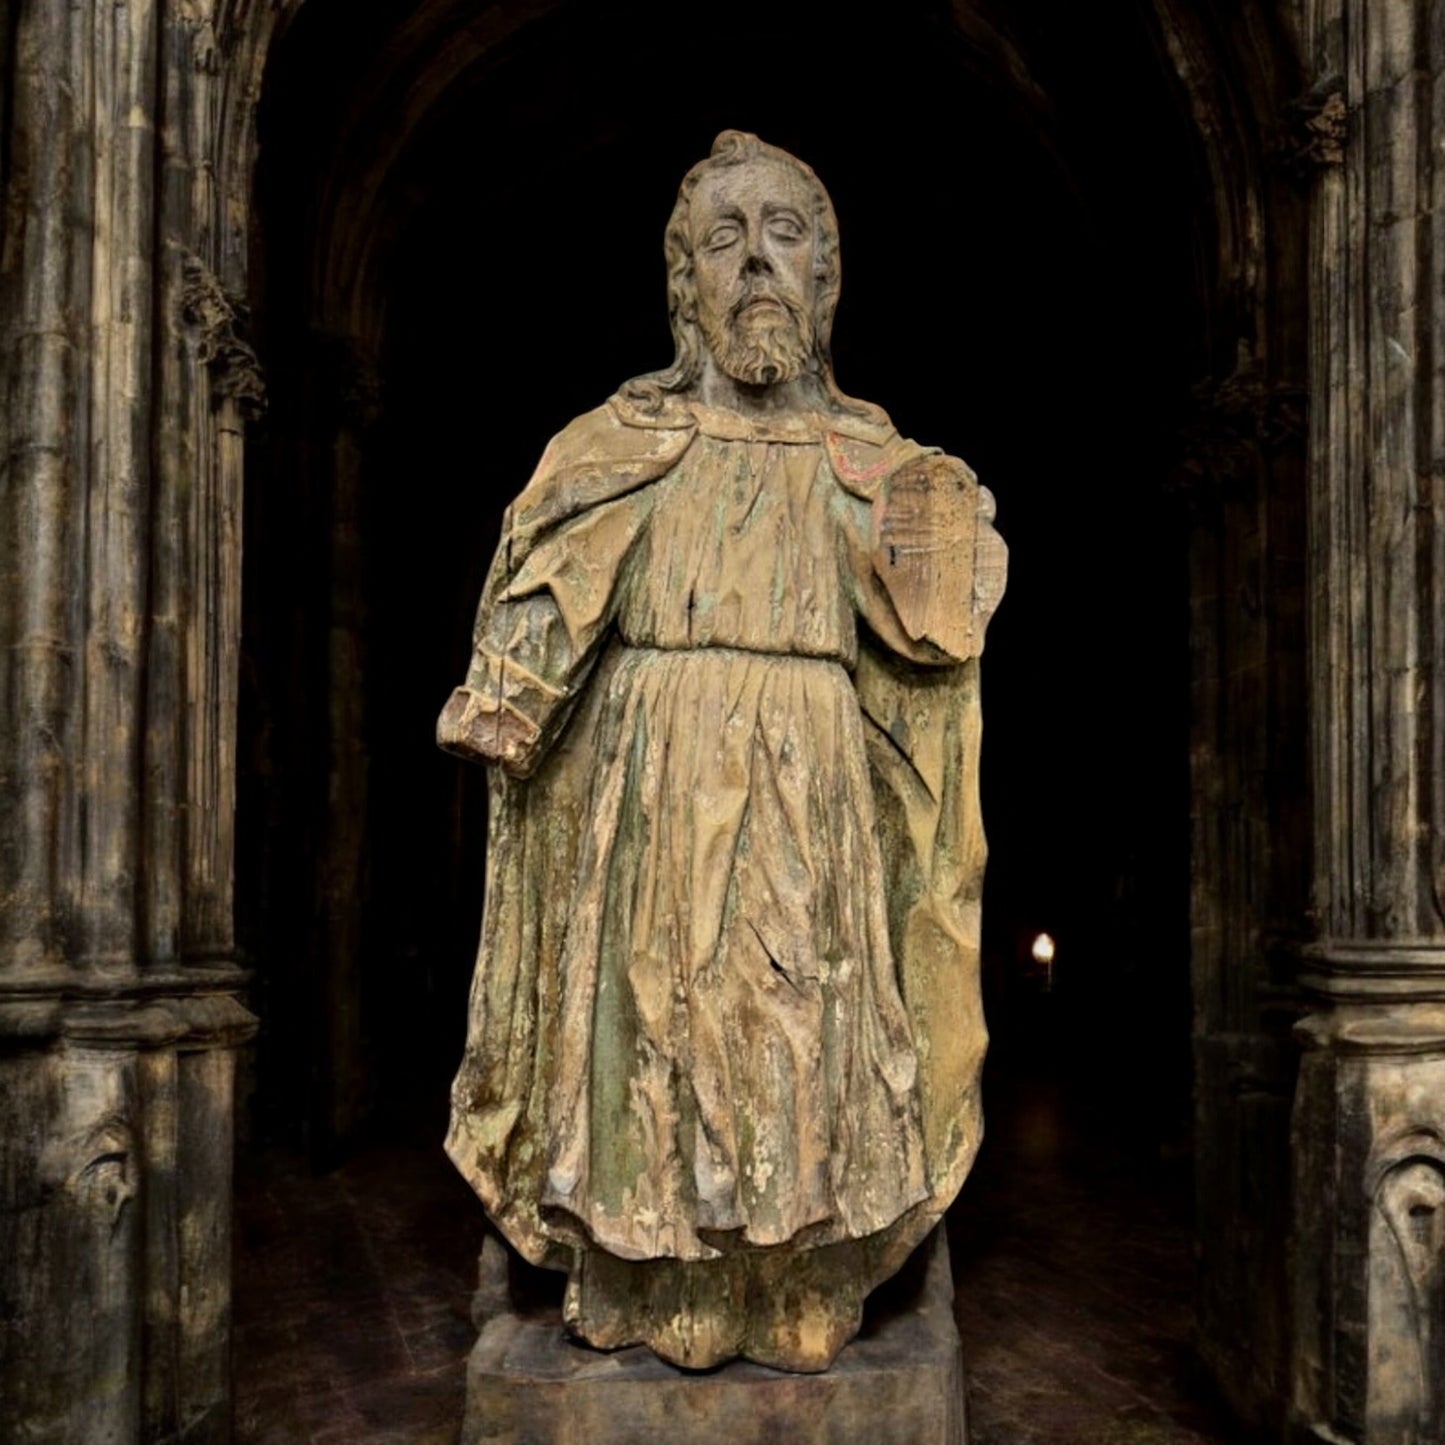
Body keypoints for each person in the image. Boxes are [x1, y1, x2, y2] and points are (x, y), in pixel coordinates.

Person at [438, 130, 1006, 1372]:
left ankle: (798, 1269)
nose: (756, 263)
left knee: (803, 1031)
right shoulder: (619, 442)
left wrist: (947, 535)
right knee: (656, 1033)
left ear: (827, 278)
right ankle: (649, 1268)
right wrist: (510, 685)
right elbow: (546, 582)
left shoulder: (870, 462)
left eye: (784, 234)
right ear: (681, 283)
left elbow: (937, 615)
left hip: (809, 791)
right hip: (656, 783)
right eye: (723, 239)